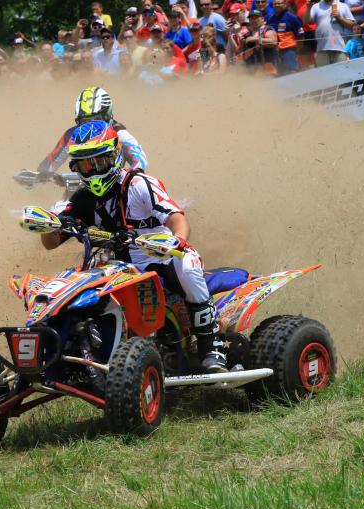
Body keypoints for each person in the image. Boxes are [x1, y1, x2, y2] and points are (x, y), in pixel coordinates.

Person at [41, 121, 228, 373]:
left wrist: (176, 241)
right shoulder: (82, 198)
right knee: (77, 285)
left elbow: (177, 219)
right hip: (118, 267)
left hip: (162, 257)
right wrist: (48, 224)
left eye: (99, 162)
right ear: (76, 168)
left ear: (115, 156)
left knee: (188, 263)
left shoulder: (139, 184)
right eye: (85, 165)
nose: (94, 171)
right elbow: (51, 243)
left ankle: (211, 346)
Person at [37, 87, 148, 180]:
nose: (90, 125)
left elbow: (140, 160)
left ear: (107, 115)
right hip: (82, 186)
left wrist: (127, 179)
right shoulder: (72, 135)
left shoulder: (119, 133)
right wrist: (39, 176)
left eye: (95, 119)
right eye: (85, 121)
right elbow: (51, 161)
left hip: (114, 189)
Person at [303, 0, 355, 65]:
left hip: (340, 49)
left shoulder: (343, 6)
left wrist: (340, 18)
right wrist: (308, 8)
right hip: (321, 49)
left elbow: (352, 25)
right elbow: (306, 22)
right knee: (323, 74)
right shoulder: (316, 6)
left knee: (341, 74)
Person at [267, 0, 302, 75]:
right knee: (280, 73)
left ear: (285, 4)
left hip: (289, 50)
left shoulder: (292, 18)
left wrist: (298, 48)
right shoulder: (270, 19)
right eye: (275, 4)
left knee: (292, 71)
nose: (277, 5)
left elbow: (300, 34)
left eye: (279, 3)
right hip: (275, 51)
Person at [240, 10, 278, 74]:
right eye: (251, 18)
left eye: (255, 18)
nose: (253, 20)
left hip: (268, 69)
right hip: (252, 70)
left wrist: (255, 39)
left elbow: (273, 42)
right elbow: (239, 51)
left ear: (262, 19)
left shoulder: (268, 29)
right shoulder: (247, 34)